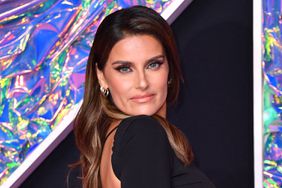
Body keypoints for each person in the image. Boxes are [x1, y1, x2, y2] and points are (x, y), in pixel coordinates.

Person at [74, 5, 215, 188]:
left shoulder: (114, 139)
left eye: (153, 65)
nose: (142, 83)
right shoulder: (141, 132)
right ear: (102, 76)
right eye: (124, 69)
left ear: (169, 68)